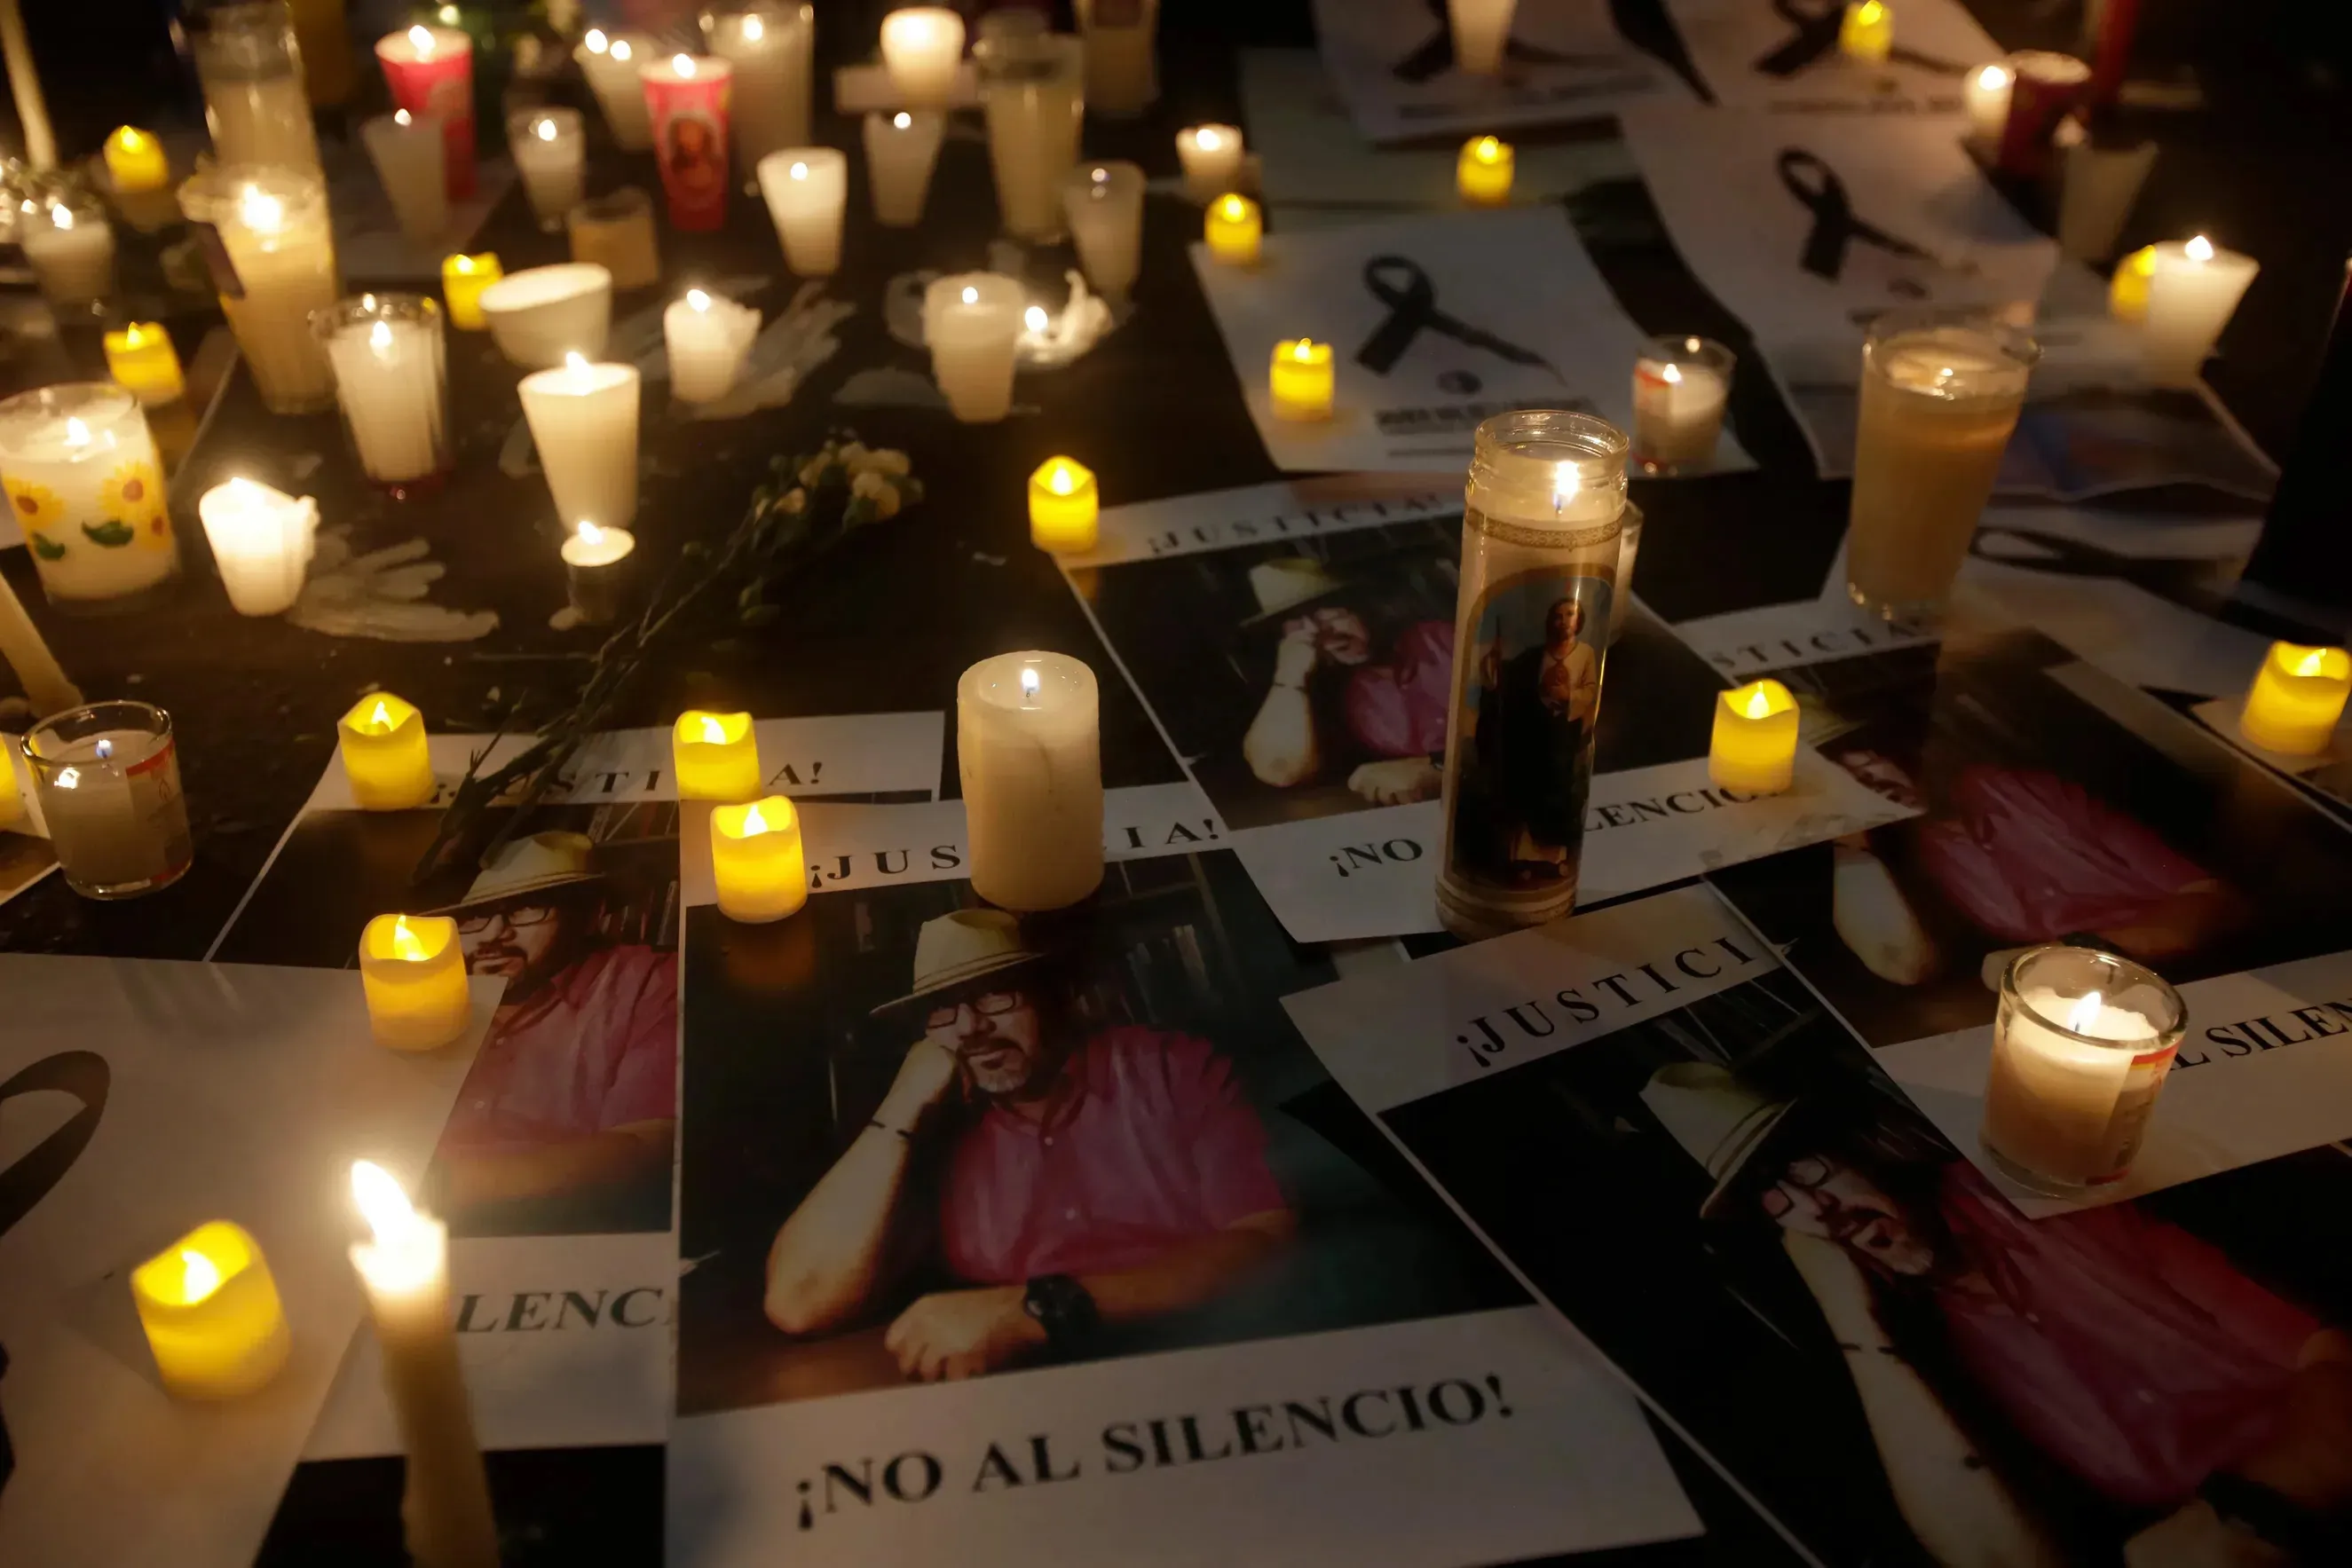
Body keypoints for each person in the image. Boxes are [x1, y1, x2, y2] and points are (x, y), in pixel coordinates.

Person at [1644, 1064, 2352, 1566]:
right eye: (1777, 1198)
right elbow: (1997, 1555)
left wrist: (2250, 1516)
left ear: (1859, 1143)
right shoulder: (1890, 1339)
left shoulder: (2030, 1192)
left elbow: (2326, 1354)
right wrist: (1851, 1317)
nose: (1819, 1209)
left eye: (1808, 1168)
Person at [764, 909, 1297, 1383]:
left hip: (1219, 1361)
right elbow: (798, 1301)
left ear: (1054, 996)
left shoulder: (1172, 1071)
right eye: (943, 1010)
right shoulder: (932, 1134)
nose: (970, 1027)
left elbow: (1267, 1245)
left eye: (997, 993)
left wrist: (1035, 1309)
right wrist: (900, 1105)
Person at [1827, 751, 2250, 989]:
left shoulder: (2014, 789)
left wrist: (2067, 953)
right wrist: (1852, 848)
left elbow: (2209, 896)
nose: (1865, 781)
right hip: (2087, 993)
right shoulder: (1904, 866)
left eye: (1866, 762)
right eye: (1840, 781)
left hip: (2219, 963)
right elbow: (1903, 963)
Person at [429, 831, 676, 1228]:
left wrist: (447, 1188)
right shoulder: (421, 990)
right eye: (475, 916)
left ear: (589, 914)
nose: (493, 935)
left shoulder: (646, 983)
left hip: (572, 1226)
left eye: (528, 909)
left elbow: (650, 1146)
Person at [1239, 555, 1452, 808]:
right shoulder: (1331, 695)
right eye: (1297, 624)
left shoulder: (1441, 639)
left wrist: (1438, 767)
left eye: (1325, 613)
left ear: (1358, 605)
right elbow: (1279, 770)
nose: (1319, 634)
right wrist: (1288, 676)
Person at [1461, 594, 1598, 883]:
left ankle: (1552, 860)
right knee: (1524, 791)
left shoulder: (1585, 654)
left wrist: (1569, 696)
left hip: (1561, 733)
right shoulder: (1535, 655)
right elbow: (1509, 682)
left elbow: (1590, 690)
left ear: (1579, 620)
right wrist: (1494, 671)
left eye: (1570, 614)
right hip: (1531, 735)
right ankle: (1521, 858)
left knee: (1556, 794)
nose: (1564, 621)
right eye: (1558, 615)